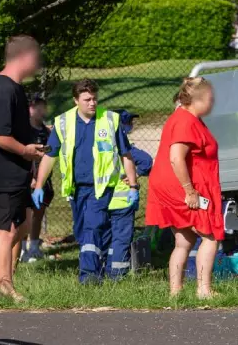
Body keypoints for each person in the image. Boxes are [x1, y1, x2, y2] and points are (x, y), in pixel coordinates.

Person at [32, 79, 140, 283]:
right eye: (87, 99)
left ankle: (89, 275)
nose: (92, 103)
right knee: (86, 231)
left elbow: (126, 155)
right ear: (76, 101)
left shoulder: (110, 120)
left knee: (92, 228)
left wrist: (133, 186)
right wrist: (39, 185)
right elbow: (50, 155)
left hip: (102, 188)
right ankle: (108, 273)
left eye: (95, 99)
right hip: (76, 189)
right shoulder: (63, 122)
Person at [0, 35, 45, 300]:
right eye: (36, 57)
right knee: (6, 231)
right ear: (23, 57)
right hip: (3, 174)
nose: (38, 63)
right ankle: (5, 285)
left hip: (16, 171)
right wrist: (25, 150)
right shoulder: (3, 89)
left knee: (22, 225)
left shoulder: (13, 87)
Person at [145, 77, 223, 298]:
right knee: (210, 236)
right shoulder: (185, 121)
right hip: (181, 188)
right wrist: (190, 191)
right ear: (198, 100)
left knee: (184, 240)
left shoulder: (187, 118)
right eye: (210, 98)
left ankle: (175, 292)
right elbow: (176, 158)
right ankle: (204, 290)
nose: (213, 102)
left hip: (174, 186)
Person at [20, 96, 54, 262]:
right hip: (27, 179)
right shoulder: (23, 130)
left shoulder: (46, 131)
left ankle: (33, 247)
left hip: (44, 178)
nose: (40, 111)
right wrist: (31, 177)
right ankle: (20, 249)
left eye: (42, 108)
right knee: (25, 214)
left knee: (38, 213)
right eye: (36, 108)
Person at [113, 109, 153, 177]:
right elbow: (146, 161)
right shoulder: (124, 145)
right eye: (129, 122)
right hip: (121, 184)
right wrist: (135, 175)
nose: (131, 124)